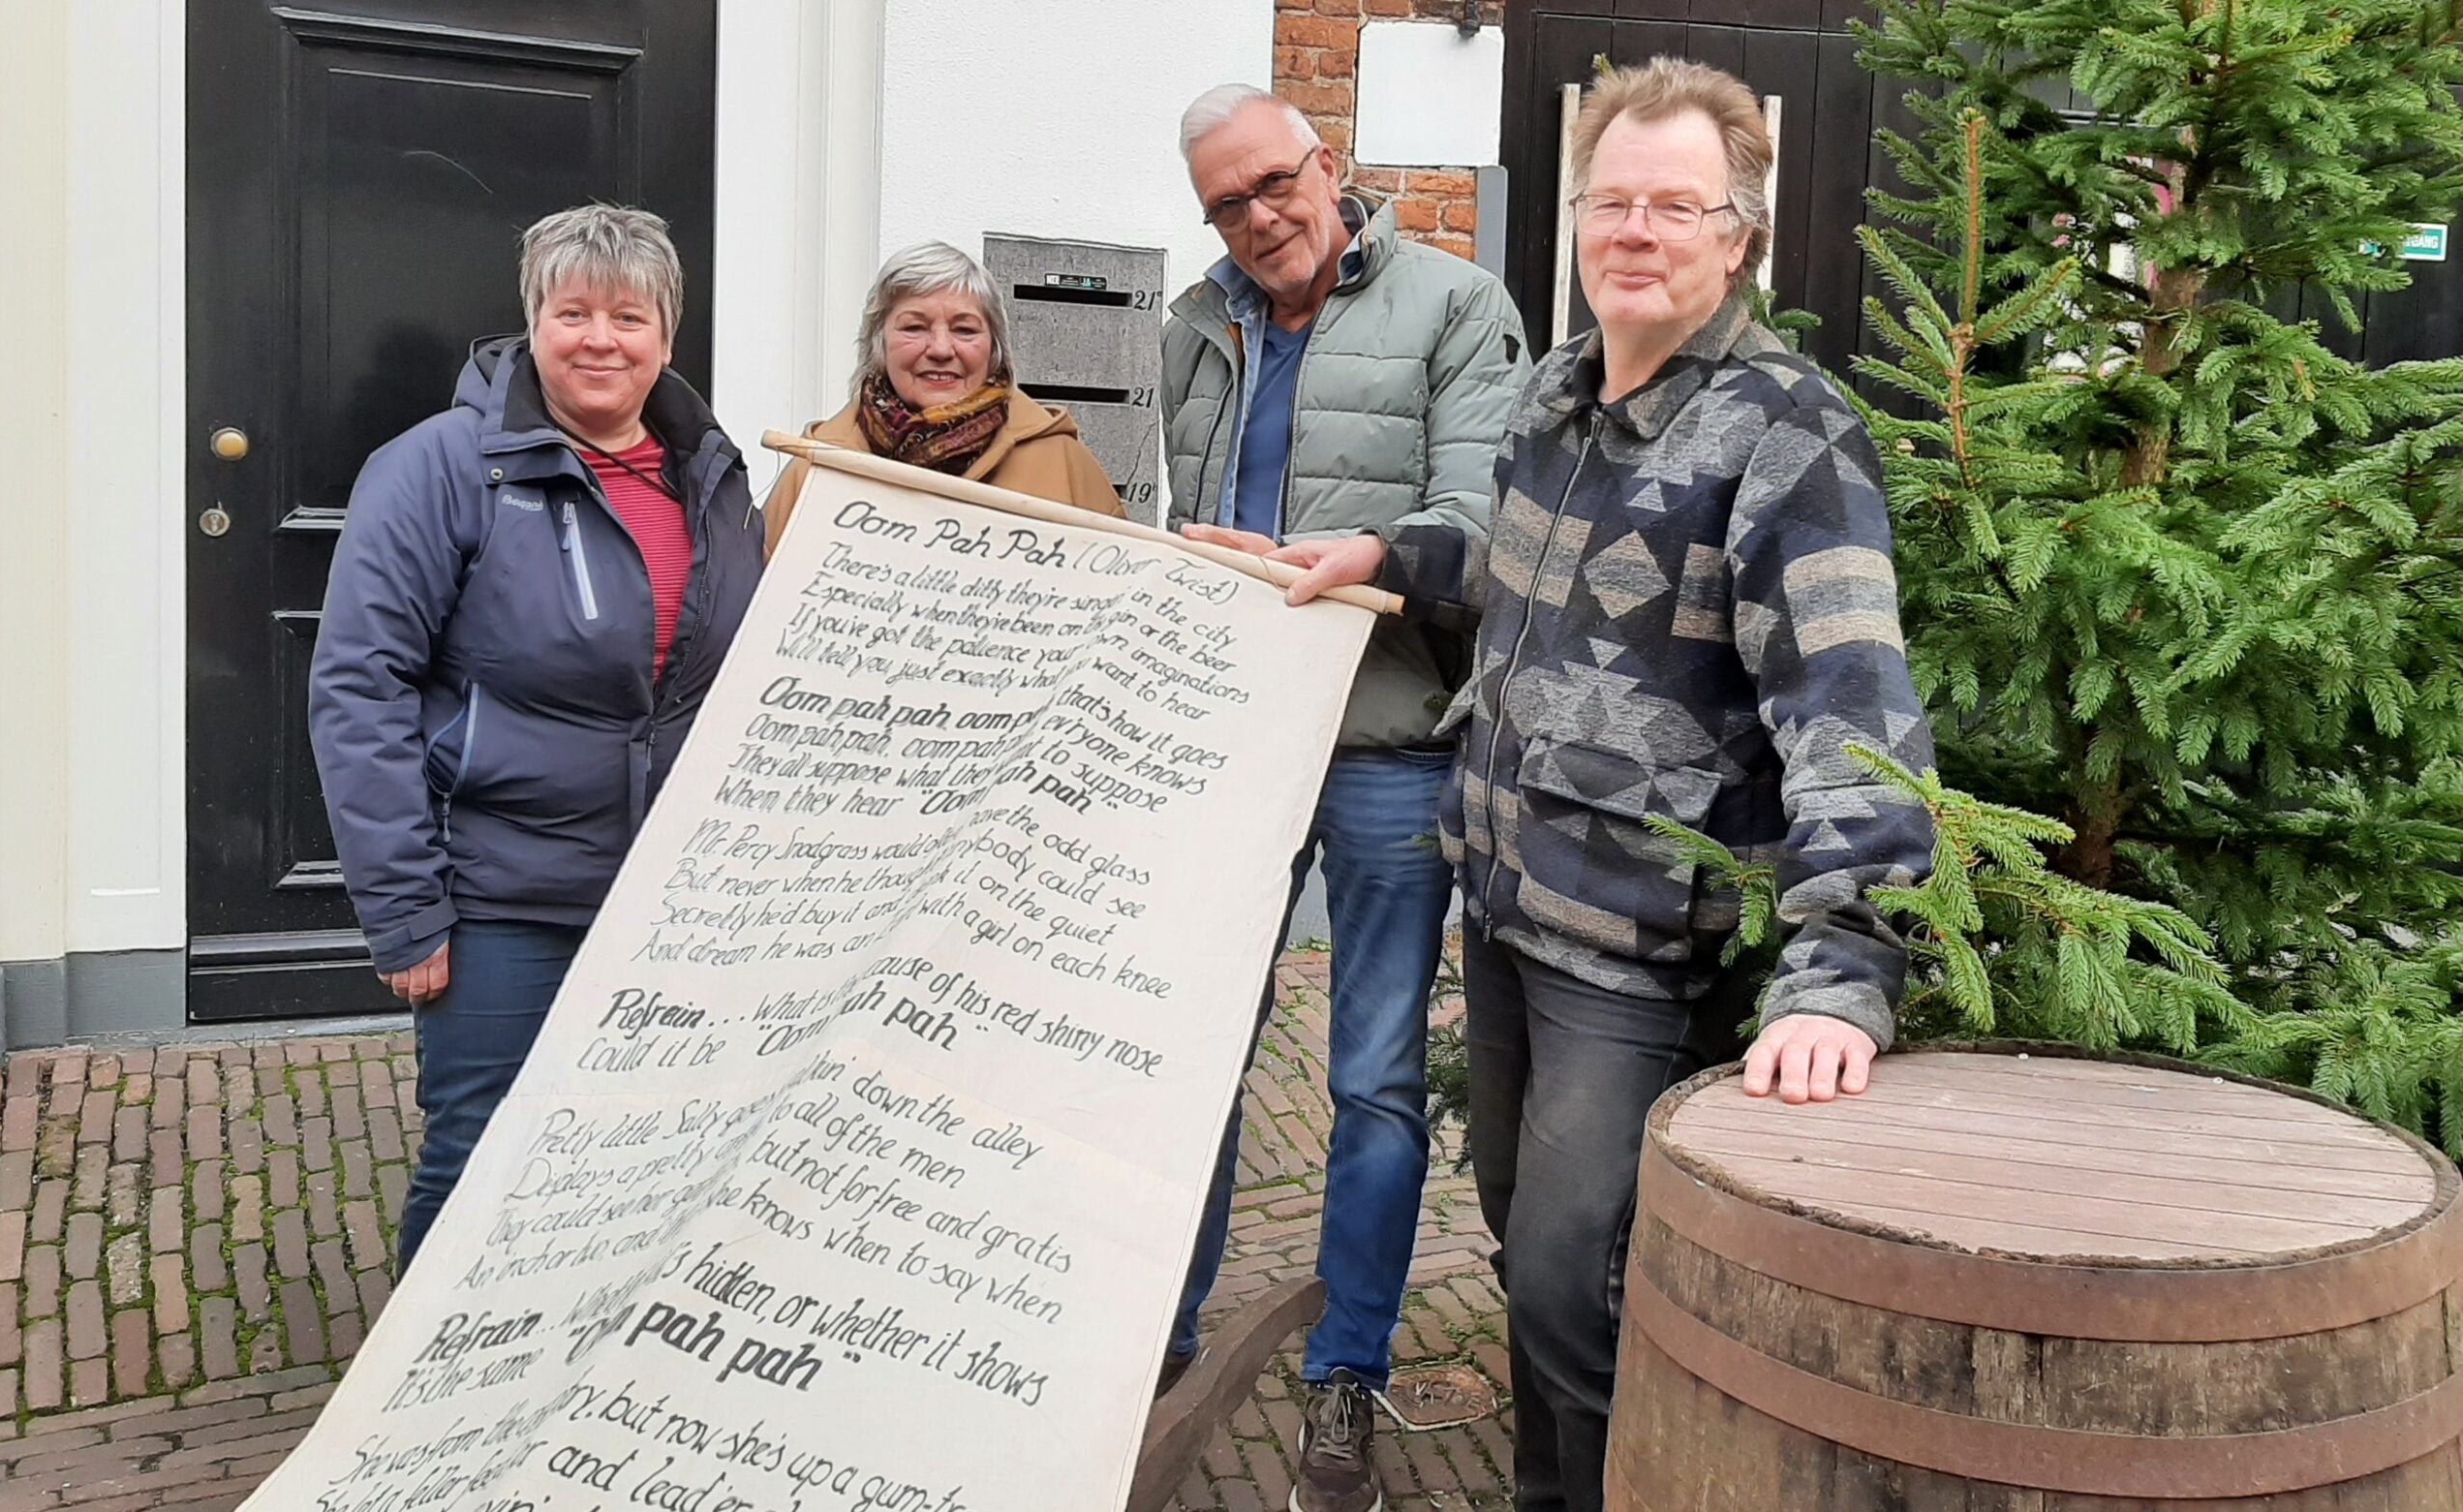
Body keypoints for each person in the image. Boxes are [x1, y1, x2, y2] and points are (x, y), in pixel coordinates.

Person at [1257, 59, 1940, 1512]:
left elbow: (1855, 714)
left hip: (1638, 954)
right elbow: (1520, 583)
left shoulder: (1787, 433)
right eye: (1610, 201)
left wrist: (1842, 970)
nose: (1633, 230)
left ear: (1737, 238)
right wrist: (1384, 555)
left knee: (1582, 1284)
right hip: (1507, 912)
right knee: (1530, 1257)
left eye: (1673, 206)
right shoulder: (1553, 399)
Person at [1161, 83, 1527, 1512]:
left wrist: (1370, 551)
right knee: (1189, 1052)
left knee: (1372, 1077)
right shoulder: (1194, 324)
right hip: (1239, 745)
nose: (1259, 219)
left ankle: (1345, 1376)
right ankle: (1153, 1348)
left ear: (1327, 164)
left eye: (1274, 183)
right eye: (1226, 205)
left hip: (1389, 742)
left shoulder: (1458, 304)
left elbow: (1493, 529)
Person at [310, 203, 763, 1270]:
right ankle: (425, 1376)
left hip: (669, 907)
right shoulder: (440, 468)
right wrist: (404, 908)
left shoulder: (712, 476)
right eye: (574, 312)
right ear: (533, 321)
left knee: (630, 1162)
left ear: (666, 334)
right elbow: (360, 686)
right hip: (502, 898)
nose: (601, 339)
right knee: (480, 1161)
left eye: (628, 316)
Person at [762, 240, 1124, 548]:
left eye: (964, 330)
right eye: (914, 327)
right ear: (878, 343)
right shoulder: (817, 470)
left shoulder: (1063, 463)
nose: (940, 349)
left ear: (994, 348)